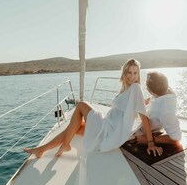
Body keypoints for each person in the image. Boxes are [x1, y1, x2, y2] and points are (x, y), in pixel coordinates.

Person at [24, 59, 163, 158]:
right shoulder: (126, 90)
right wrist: (144, 102)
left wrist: (151, 143)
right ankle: (41, 150)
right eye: (129, 72)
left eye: (135, 73)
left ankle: (65, 144)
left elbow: (143, 117)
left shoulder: (136, 88)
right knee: (74, 127)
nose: (132, 76)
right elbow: (131, 105)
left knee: (81, 105)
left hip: (109, 128)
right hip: (107, 127)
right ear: (124, 73)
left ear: (138, 75)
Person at [134, 71, 182, 145]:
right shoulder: (167, 90)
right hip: (140, 119)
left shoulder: (165, 111)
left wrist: (149, 140)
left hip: (140, 130)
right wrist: (147, 100)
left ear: (152, 92)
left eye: (147, 88)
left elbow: (176, 138)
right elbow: (157, 93)